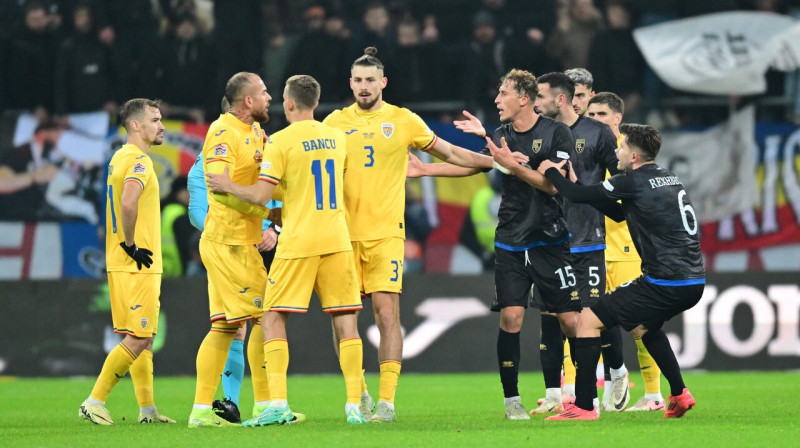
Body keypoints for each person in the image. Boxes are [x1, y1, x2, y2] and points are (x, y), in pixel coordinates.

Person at [323, 47, 503, 422]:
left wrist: (497, 162)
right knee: (343, 319)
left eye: (371, 80)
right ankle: (359, 393)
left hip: (386, 234)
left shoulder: (404, 120)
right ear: (350, 84)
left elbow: (450, 153)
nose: (364, 86)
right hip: (341, 235)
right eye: (358, 80)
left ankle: (387, 402)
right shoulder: (333, 123)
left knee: (387, 313)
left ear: (383, 83)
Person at [407, 68, 581, 420]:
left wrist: (511, 166)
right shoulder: (501, 135)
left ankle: (578, 395)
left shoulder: (556, 133)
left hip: (550, 240)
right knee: (511, 318)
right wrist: (427, 170)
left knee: (570, 322)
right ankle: (511, 400)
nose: (497, 99)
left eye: (504, 93)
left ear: (524, 99)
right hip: (511, 242)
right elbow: (480, 165)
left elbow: (551, 186)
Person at [206, 74, 367, 425]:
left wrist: (228, 185)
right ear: (316, 102)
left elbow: (261, 195)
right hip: (337, 239)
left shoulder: (279, 141)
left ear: (289, 103)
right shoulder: (336, 137)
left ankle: (277, 403)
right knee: (346, 320)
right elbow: (321, 183)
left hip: (299, 241)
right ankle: (355, 404)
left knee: (272, 317)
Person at [525, 123, 705, 420]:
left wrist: (552, 172)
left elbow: (575, 195)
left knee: (588, 321)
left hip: (664, 281)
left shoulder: (632, 180)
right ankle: (679, 394)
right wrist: (577, 184)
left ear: (634, 156)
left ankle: (584, 406)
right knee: (645, 327)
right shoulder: (669, 178)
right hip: (693, 281)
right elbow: (620, 213)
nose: (616, 151)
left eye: (621, 147)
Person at [188, 72, 302, 428]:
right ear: (247, 100)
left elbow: (263, 182)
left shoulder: (255, 132)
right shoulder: (223, 132)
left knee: (225, 327)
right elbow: (220, 191)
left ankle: (202, 412)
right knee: (267, 316)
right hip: (228, 243)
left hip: (241, 243)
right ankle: (265, 403)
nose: (270, 97)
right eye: (264, 92)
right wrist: (267, 213)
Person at [530, 72, 628, 415]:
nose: (535, 103)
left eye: (540, 96)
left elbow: (621, 180)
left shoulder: (597, 133)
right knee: (552, 319)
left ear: (560, 99)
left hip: (588, 240)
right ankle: (558, 395)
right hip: (548, 241)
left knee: (590, 318)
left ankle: (609, 379)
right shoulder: (537, 131)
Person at [78, 98, 175, 425]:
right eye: (155, 120)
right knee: (140, 336)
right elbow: (128, 202)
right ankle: (94, 401)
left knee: (143, 336)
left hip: (121, 262)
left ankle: (147, 410)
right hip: (137, 262)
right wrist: (131, 245)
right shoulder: (139, 161)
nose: (161, 126)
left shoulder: (118, 157)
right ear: (135, 125)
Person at [587, 92, 665, 411]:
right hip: (591, 248)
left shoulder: (628, 153)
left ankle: (654, 394)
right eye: (590, 115)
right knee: (585, 320)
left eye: (601, 115)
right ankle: (599, 381)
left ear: (617, 118)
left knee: (640, 326)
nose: (594, 121)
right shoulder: (584, 149)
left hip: (627, 248)